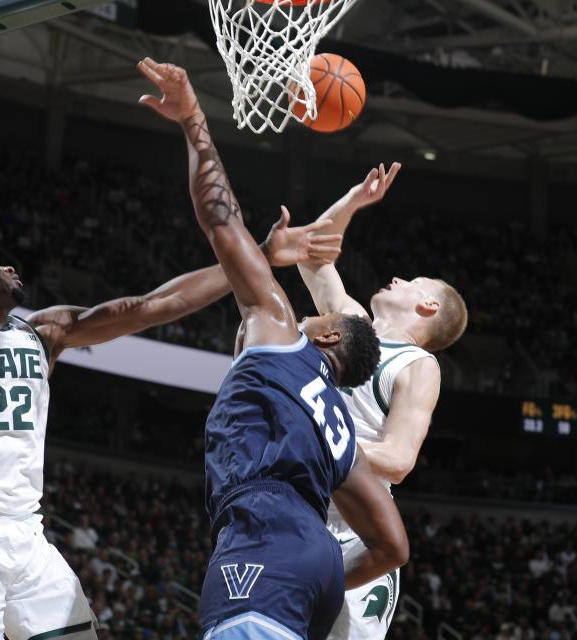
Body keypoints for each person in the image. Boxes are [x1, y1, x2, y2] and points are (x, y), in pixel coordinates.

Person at [0, 193, 340, 636]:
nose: (8, 267)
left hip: (27, 534)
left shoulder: (43, 333)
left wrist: (258, 257)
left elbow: (153, 305)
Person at [137, 57, 410, 640]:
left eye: (320, 316)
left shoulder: (283, 332)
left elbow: (219, 219)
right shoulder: (333, 422)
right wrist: (328, 576)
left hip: (261, 539)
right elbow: (392, 545)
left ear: (331, 336)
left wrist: (193, 122)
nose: (306, 315)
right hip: (313, 560)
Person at [296, 165, 467, 640]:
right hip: (298, 507)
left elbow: (397, 460)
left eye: (412, 281)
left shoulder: (417, 365)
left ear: (428, 308)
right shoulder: (350, 322)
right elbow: (310, 257)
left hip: (356, 532)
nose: (395, 277)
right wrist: (352, 201)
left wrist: (314, 432)